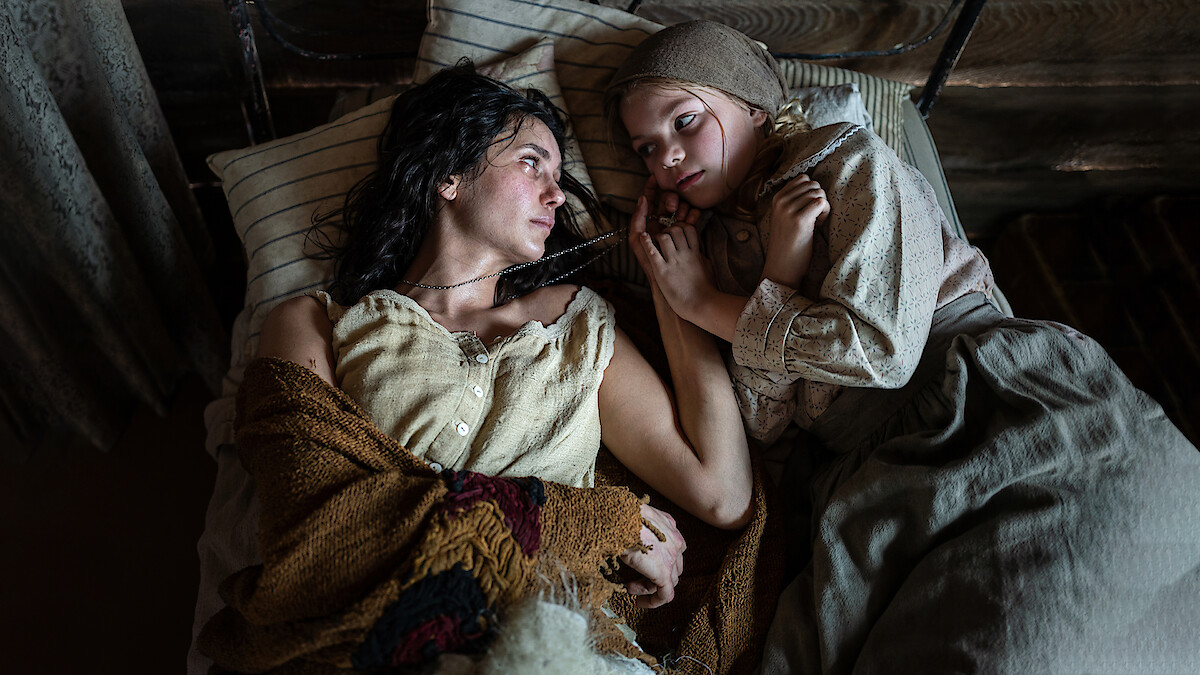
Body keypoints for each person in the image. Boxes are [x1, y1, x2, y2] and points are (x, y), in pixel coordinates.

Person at [605, 20, 1200, 674]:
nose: (666, 158)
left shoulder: (845, 161)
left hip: (985, 403)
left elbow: (877, 350)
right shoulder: (714, 258)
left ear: (752, 106)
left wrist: (702, 305)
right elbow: (764, 422)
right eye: (645, 148)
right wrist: (773, 275)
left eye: (685, 121)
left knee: (1038, 630)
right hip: (867, 472)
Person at [199, 62, 778, 673]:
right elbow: (317, 532)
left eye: (559, 176)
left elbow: (723, 494)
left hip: (562, 645)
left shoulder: (577, 321)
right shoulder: (316, 325)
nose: (558, 194)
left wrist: (673, 288)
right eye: (531, 163)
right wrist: (593, 522)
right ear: (448, 176)